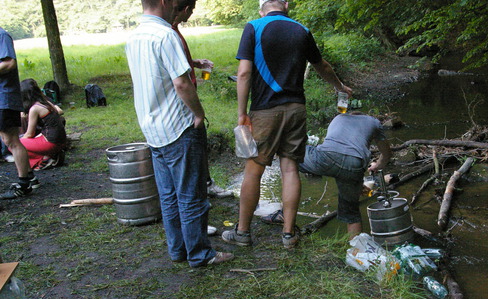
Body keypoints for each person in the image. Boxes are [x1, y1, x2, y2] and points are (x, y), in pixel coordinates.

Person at [222, 0, 352, 249]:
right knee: (290, 169)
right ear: (285, 5)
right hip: (296, 110)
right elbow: (322, 65)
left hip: (264, 111)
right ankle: (289, 235)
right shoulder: (301, 30)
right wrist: (340, 87)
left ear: (262, 9)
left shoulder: (254, 27)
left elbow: (244, 73)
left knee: (254, 170)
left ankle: (242, 233)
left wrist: (241, 113)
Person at [125, 0, 233, 266]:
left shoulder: (135, 36)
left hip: (152, 128)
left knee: (169, 195)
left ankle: (178, 250)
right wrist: (198, 113)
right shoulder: (165, 35)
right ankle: (200, 254)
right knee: (191, 196)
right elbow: (182, 83)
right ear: (163, 1)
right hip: (178, 127)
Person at [263, 112, 392, 239]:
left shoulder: (339, 117)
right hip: (355, 164)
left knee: (290, 156)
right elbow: (386, 155)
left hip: (325, 158)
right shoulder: (373, 122)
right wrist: (378, 165)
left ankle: (285, 214)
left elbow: (332, 147)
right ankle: (357, 250)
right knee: (352, 212)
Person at [171, 0, 233, 199]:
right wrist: (199, 113)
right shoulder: (169, 33)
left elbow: (177, 61)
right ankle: (197, 194)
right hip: (181, 103)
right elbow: (178, 79)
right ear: (187, 9)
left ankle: (205, 184)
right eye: (192, 11)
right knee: (192, 145)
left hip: (184, 98)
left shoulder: (174, 29)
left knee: (198, 143)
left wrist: (195, 63)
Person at [0, 26, 39, 199]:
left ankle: (24, 185)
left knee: (12, 141)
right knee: (8, 140)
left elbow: (9, 62)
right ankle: (30, 177)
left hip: (4, 98)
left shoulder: (1, 35)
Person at [19, 78, 66, 170]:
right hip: (61, 140)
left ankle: (44, 159)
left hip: (51, 142)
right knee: (22, 143)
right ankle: (51, 156)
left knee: (15, 145)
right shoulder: (46, 102)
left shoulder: (35, 108)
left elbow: (29, 134)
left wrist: (20, 140)